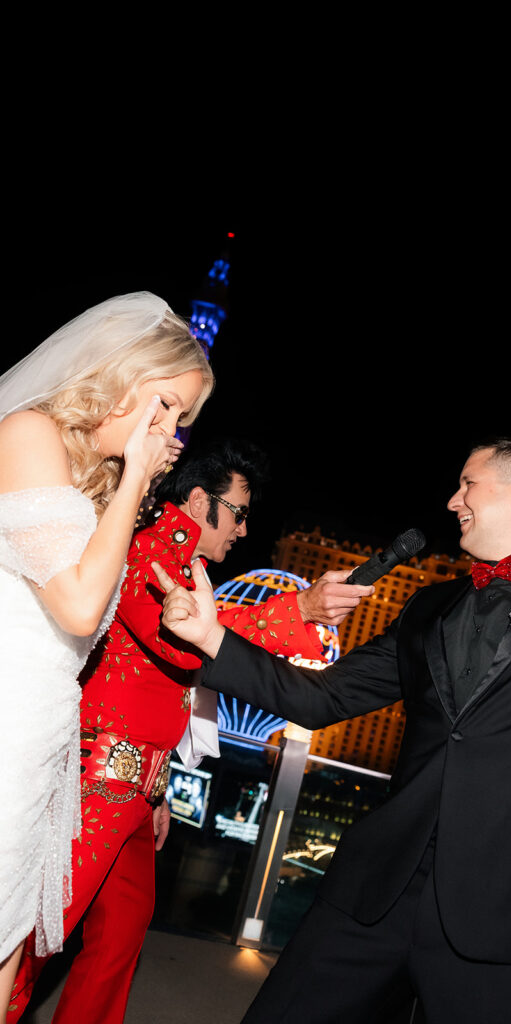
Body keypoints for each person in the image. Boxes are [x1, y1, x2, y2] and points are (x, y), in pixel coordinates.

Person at [154, 435, 511, 1024]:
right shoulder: (427, 607)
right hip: (378, 891)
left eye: (467, 484)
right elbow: (322, 697)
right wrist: (211, 640)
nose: (453, 499)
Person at [8, 437, 371, 1023]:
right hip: (99, 784)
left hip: (135, 787)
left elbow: (176, 672)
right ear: (201, 501)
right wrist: (298, 610)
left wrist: (157, 789)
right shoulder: (144, 549)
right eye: (239, 513)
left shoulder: (185, 568)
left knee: (117, 945)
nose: (244, 531)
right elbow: (179, 640)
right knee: (37, 940)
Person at [0, 292, 214, 1014]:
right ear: (121, 375)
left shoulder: (92, 479)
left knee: (9, 940)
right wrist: (136, 479)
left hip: (45, 727)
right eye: (164, 406)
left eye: (181, 420)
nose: (170, 432)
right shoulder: (30, 431)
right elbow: (79, 605)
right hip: (8, 709)